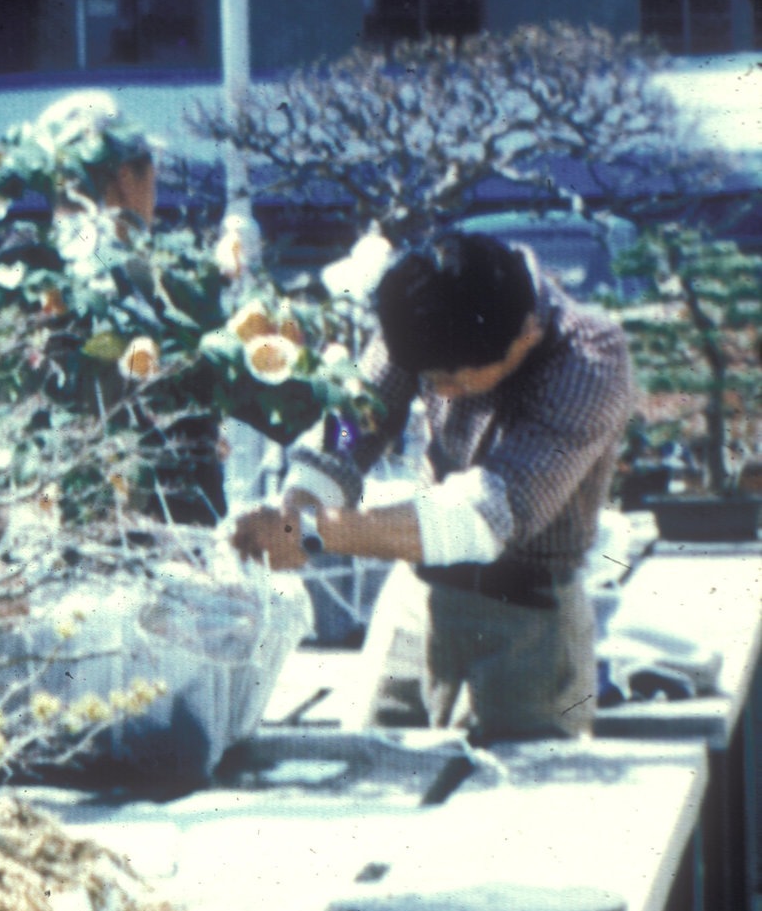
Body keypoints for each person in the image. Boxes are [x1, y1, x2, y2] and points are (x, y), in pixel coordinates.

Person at [232, 230, 636, 739]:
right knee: (366, 775)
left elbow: (481, 516)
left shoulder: (589, 358)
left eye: (458, 381)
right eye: (430, 380)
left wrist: (312, 531)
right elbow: (355, 422)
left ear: (527, 335)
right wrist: (298, 505)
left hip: (529, 623)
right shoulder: (430, 304)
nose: (443, 393)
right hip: (416, 600)